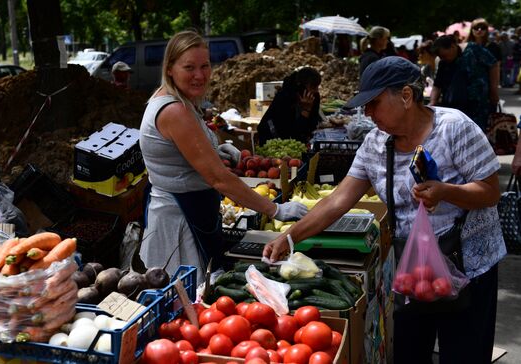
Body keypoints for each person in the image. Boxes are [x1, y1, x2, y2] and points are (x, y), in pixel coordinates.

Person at [263, 56, 506, 364]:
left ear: (406, 96)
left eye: (374, 103)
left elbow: (490, 192)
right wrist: (289, 237)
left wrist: (447, 192)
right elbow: (338, 200)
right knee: (408, 353)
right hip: (414, 269)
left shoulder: (455, 128)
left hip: (469, 267)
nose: (367, 113)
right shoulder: (376, 144)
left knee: (464, 354)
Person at [138, 30, 307, 283]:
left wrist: (215, 150)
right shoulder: (174, 110)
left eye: (205, 66)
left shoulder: (176, 99)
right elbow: (219, 179)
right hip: (181, 223)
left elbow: (181, 153)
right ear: (170, 68)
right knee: (185, 298)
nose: (199, 75)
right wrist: (275, 210)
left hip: (190, 212)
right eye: (189, 67)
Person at [429, 34, 499, 131]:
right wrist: (432, 102)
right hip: (455, 110)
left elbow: (493, 64)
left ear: (453, 46)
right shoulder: (443, 63)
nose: (442, 58)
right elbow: (437, 85)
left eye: (444, 55)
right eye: (440, 57)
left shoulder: (473, 50)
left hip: (479, 107)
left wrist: (493, 89)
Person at [257, 67, 322, 146]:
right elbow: (292, 134)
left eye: (317, 87)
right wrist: (306, 110)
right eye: (313, 87)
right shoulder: (284, 97)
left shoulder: (314, 96)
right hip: (272, 140)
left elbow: (312, 125)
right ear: (301, 87)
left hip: (294, 142)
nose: (316, 91)